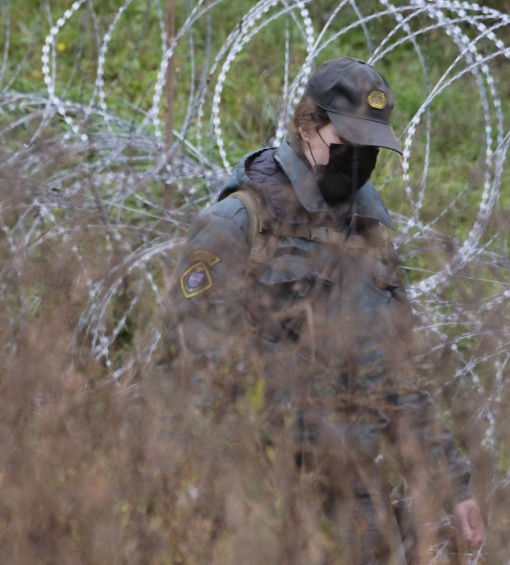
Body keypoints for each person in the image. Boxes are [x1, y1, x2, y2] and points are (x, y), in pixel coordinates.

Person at [161, 57, 484, 563]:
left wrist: (454, 486)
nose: (357, 161)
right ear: (306, 127)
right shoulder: (239, 222)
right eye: (345, 145)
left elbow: (398, 378)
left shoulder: (370, 237)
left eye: (369, 149)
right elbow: (190, 366)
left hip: (353, 498)